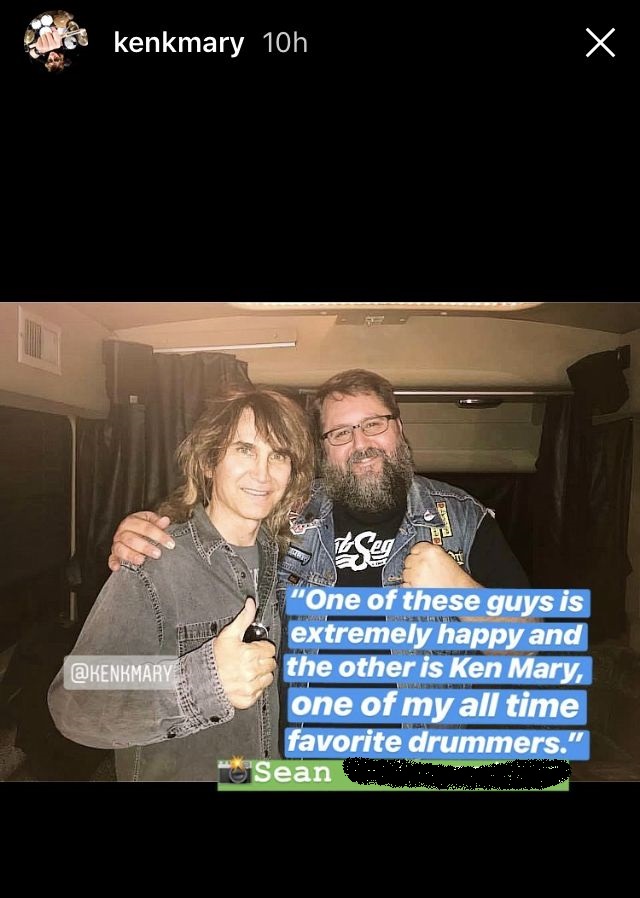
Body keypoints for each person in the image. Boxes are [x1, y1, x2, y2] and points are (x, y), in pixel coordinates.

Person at [48, 386, 315, 781]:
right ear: (209, 462)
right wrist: (204, 682)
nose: (262, 473)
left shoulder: (282, 559)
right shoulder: (155, 562)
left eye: (278, 455)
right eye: (245, 450)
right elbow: (75, 703)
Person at [109, 370, 529, 595]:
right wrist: (150, 532)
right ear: (324, 447)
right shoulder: (288, 505)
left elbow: (532, 647)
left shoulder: (462, 517)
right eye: (341, 433)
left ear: (398, 429)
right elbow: (218, 525)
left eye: (373, 424)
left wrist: (462, 590)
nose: (361, 444)